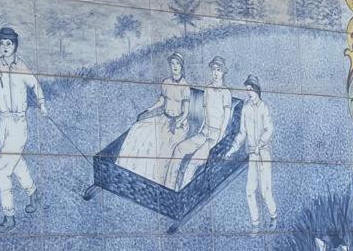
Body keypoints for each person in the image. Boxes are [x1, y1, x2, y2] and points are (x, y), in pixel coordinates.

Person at [0, 27, 46, 233]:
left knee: (2, 169)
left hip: (19, 122)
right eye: (2, 43)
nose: (5, 47)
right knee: (16, 161)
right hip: (3, 122)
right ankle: (34, 193)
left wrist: (42, 104)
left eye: (8, 43)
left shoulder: (21, 66)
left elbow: (35, 85)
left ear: (15, 45)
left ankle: (9, 216)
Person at [116, 53, 190, 184]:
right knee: (138, 129)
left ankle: (156, 181)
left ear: (181, 66)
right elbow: (161, 101)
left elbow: (186, 112)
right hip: (163, 119)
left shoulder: (185, 86)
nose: (175, 66)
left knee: (162, 148)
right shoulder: (166, 82)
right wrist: (148, 110)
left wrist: (178, 123)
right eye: (172, 63)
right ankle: (130, 172)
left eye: (177, 63)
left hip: (178, 124)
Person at [165, 56, 232, 191]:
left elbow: (226, 119)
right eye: (214, 69)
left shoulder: (226, 93)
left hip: (215, 137)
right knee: (179, 148)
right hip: (204, 132)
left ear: (223, 72)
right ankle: (169, 187)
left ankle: (181, 193)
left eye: (218, 70)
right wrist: (200, 133)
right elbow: (205, 115)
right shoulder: (207, 90)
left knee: (193, 162)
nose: (215, 73)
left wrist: (219, 140)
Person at [226, 75, 277, 232]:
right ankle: (255, 224)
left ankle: (273, 216)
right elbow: (242, 133)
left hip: (263, 154)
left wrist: (260, 144)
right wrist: (232, 149)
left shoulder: (264, 108)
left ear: (257, 90)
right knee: (249, 190)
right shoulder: (245, 108)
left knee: (265, 191)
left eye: (251, 89)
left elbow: (269, 130)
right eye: (247, 89)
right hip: (252, 155)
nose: (249, 93)